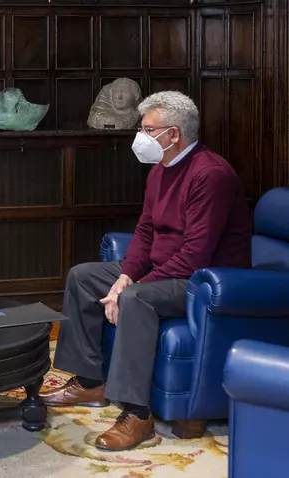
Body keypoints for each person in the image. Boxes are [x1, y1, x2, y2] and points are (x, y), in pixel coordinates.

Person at [41, 91, 251, 450]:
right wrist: (125, 275)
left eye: (148, 129)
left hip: (204, 282)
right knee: (84, 276)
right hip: (166, 269)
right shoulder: (159, 171)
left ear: (174, 134)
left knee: (136, 298)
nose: (140, 136)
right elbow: (145, 232)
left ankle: (137, 415)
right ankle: (91, 381)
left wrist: (130, 288)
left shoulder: (211, 175)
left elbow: (195, 255)